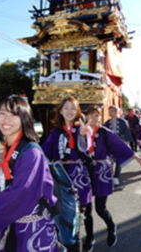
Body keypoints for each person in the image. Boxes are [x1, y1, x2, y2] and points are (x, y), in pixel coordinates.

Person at [0, 95, 58, 252]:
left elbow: (20, 194)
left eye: (14, 114)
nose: (6, 119)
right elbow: (3, 189)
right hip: (14, 224)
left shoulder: (32, 153)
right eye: (2, 112)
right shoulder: (9, 148)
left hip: (33, 231)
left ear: (24, 118)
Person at [85, 105, 141, 248]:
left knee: (100, 208)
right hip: (85, 172)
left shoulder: (104, 132)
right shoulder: (81, 131)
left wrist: (138, 158)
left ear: (100, 117)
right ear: (86, 116)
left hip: (101, 172)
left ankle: (111, 226)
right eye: (90, 115)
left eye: (96, 115)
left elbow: (121, 146)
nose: (93, 118)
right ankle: (89, 238)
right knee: (86, 209)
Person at [42, 97, 93, 252]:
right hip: (60, 178)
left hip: (78, 177)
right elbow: (44, 153)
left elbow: (87, 149)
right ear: (61, 111)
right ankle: (65, 244)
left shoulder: (80, 129)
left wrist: (84, 135)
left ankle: (84, 241)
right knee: (61, 214)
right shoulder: (55, 132)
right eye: (66, 108)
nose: (69, 111)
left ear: (77, 111)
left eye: (73, 108)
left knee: (78, 216)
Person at [104, 105, 132, 186]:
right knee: (110, 162)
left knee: (119, 161)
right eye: (109, 111)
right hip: (110, 145)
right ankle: (110, 176)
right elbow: (103, 133)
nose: (110, 113)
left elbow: (127, 133)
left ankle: (116, 177)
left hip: (120, 144)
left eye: (112, 111)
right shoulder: (107, 123)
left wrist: (126, 144)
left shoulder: (123, 122)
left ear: (116, 112)